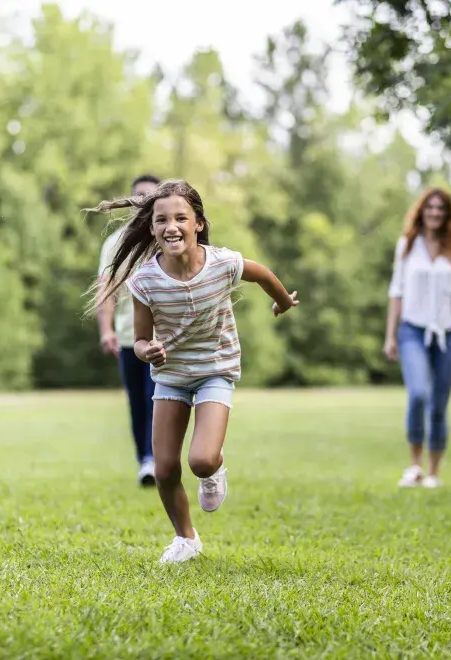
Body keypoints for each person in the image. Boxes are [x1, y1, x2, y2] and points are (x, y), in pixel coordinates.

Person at [89, 179, 299, 563]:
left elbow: (264, 274)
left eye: (181, 218)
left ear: (198, 223)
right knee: (165, 467)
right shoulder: (145, 280)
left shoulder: (221, 263)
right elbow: (138, 340)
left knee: (201, 460)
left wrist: (282, 303)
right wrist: (146, 349)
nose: (172, 226)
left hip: (215, 369)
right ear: (151, 228)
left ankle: (214, 470)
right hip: (171, 375)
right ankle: (186, 539)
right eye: (161, 220)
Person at [383, 187, 451, 488]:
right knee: (418, 395)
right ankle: (414, 466)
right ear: (421, 211)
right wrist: (390, 336)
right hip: (412, 330)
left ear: (448, 214)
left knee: (439, 403)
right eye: (430, 208)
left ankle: (434, 472)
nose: (435, 213)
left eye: (441, 209)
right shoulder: (407, 246)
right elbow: (396, 292)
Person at [97, 174, 161, 487]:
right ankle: (145, 460)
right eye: (138, 195)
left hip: (164, 339)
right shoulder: (115, 242)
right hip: (127, 337)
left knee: (157, 400)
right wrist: (105, 330)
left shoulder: (167, 235)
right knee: (137, 402)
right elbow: (105, 288)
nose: (142, 200)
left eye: (150, 195)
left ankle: (157, 458)